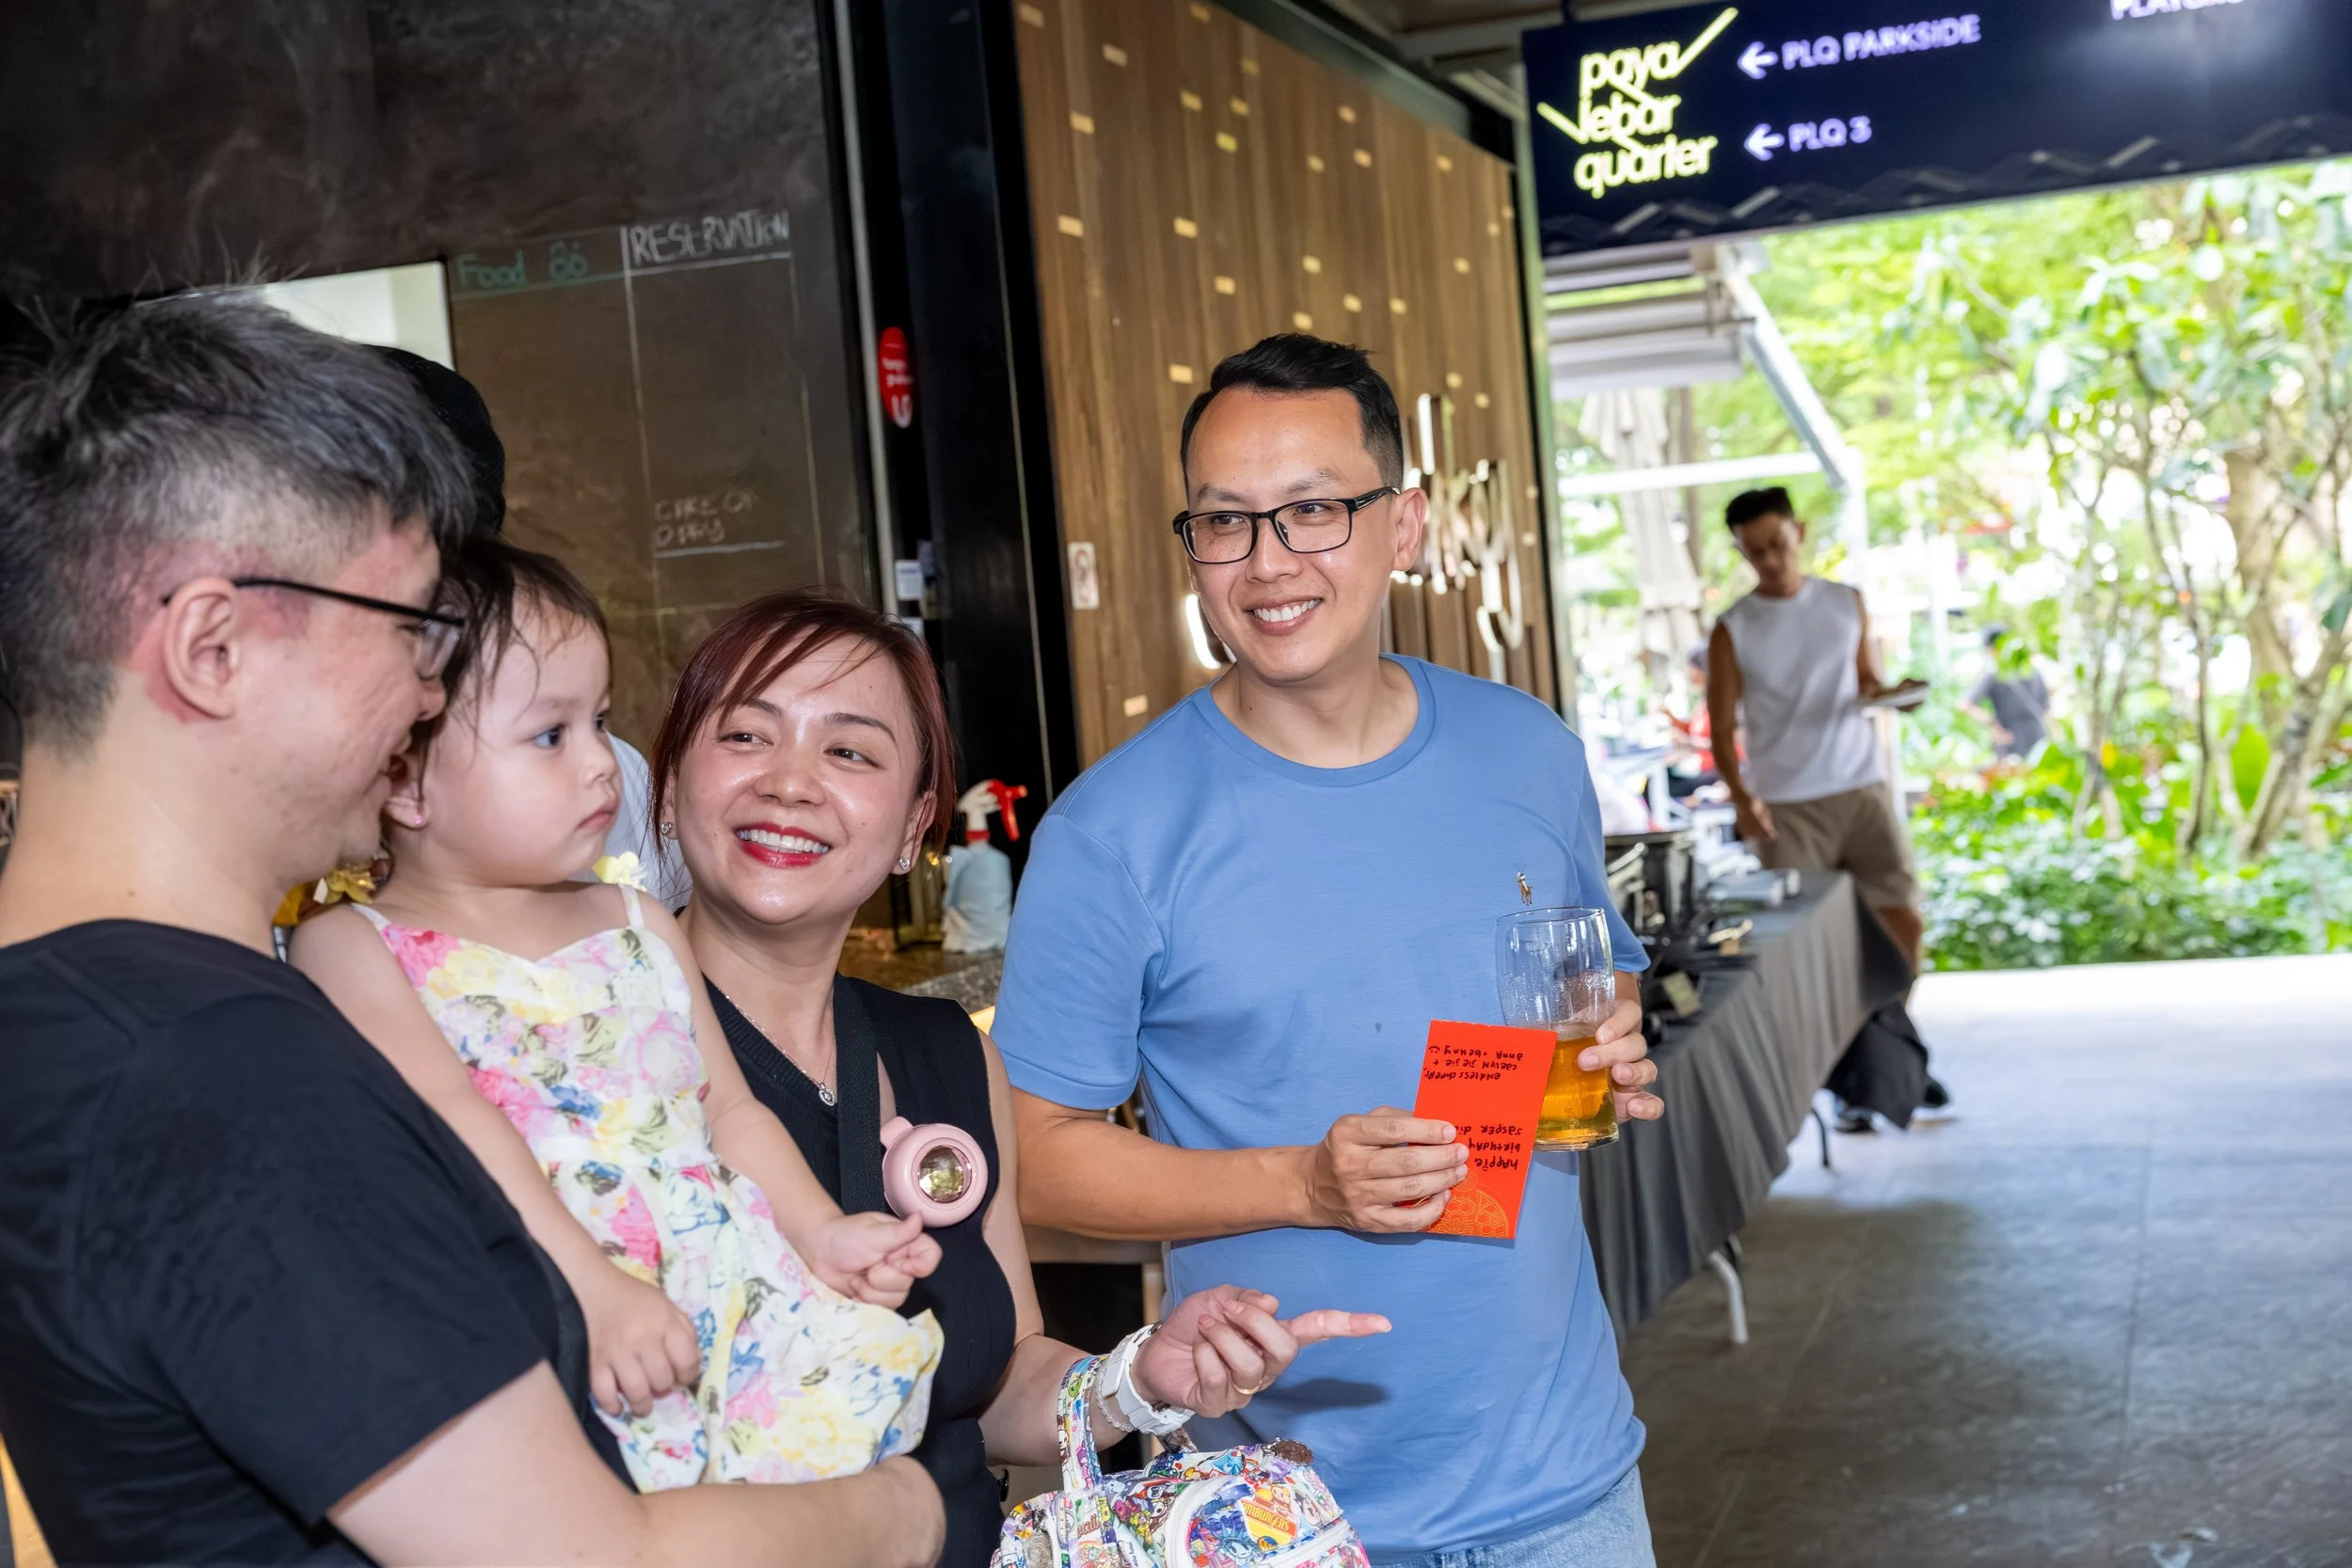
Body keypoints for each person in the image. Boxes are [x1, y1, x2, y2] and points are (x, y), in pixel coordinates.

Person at [0, 293, 941, 1564]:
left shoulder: (78, 1012)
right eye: (413, 630)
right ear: (212, 647)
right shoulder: (213, 1073)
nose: (427, 692)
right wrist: (908, 1510)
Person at [994, 335, 1666, 1564]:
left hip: (1566, 1485)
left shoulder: (1526, 750)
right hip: (1275, 1509)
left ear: (1403, 524)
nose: (1267, 562)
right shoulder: (1114, 830)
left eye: (1313, 510)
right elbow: (1035, 1159)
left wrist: (1611, 1023)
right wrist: (1306, 1183)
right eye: (1224, 521)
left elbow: (1594, 972)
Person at [652, 588, 1392, 1564]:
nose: (790, 783)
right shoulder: (585, 1057)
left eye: (850, 751)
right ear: (670, 781)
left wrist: (1142, 1376)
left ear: (916, 822)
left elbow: (995, 1382)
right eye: (746, 735)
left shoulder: (946, 1051)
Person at [294, 538, 946, 1491]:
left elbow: (730, 1112)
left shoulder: (637, 921)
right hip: (545, 1305)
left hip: (719, 1296)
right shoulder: (355, 946)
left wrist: (819, 1231)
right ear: (403, 773)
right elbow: (458, 1129)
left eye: (597, 721)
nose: (605, 763)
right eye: (549, 735)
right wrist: (594, 1289)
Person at [1705, 486, 1928, 973]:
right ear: (1740, 551)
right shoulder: (1732, 627)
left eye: (1777, 544)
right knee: (1805, 942)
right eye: (1754, 551)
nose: (1770, 560)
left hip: (1861, 788)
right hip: (1786, 806)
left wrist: (1899, 696)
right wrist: (1743, 800)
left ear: (1799, 532)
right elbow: (1719, 729)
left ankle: (1893, 1015)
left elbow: (1867, 685)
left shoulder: (1845, 602)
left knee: (1902, 917)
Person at [1967, 625, 2050, 762]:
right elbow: (2046, 707)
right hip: (2038, 737)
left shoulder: (1993, 674)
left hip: (2009, 740)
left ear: (1991, 649)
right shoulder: (2033, 671)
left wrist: (1992, 726)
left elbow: (1965, 704)